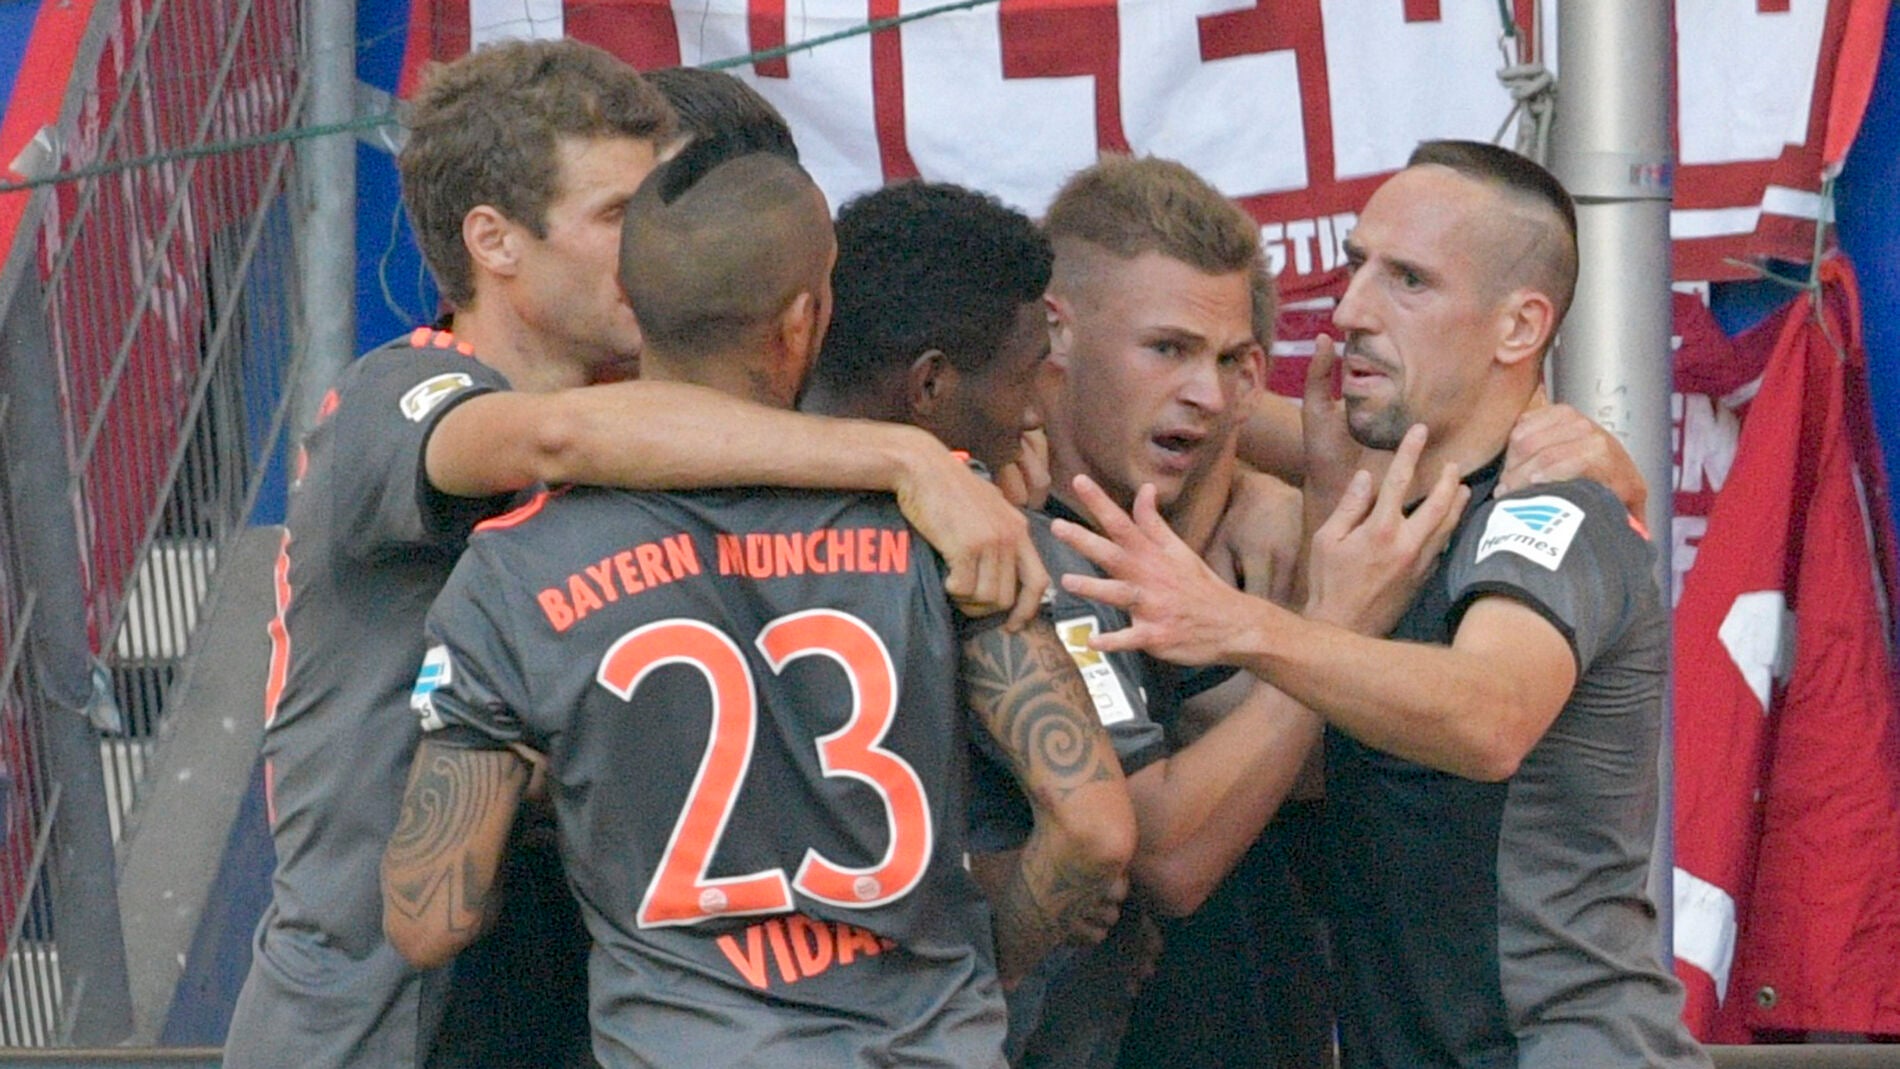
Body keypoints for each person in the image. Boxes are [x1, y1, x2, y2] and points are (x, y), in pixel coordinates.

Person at [223, 40, 1046, 1069]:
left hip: (561, 1004)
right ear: (494, 240)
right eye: (616, 215)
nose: (646, 246)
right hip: (381, 1015)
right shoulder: (395, 397)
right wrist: (905, 457)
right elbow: (552, 440)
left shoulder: (648, 446)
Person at [382, 145, 1134, 1068]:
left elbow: (430, 915)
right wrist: (986, 966)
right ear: (805, 319)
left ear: (630, 303)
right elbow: (1095, 828)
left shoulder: (518, 565)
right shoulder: (951, 518)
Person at [1055, 139, 1711, 1069]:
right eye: (1356, 264)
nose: (1351, 310)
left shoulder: (1551, 508)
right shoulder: (1386, 525)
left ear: (1518, 328)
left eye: (1407, 280)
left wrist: (1249, 624)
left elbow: (1491, 714)